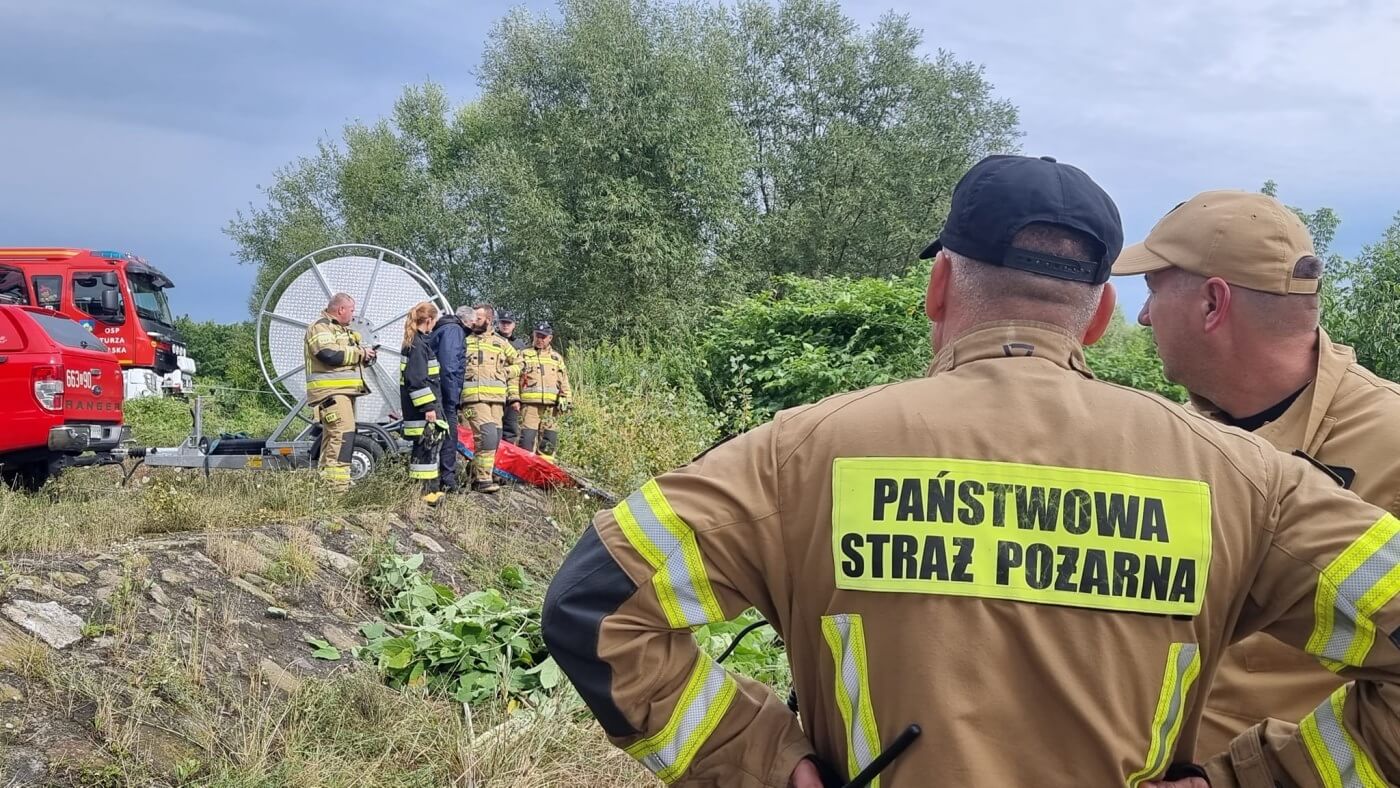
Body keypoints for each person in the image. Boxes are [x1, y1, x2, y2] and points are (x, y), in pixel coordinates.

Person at [541, 155, 1400, 788]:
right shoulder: (1244, 478)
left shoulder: (798, 454)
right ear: (1098, 315)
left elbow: (593, 605)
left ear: (939, 286)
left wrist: (764, 766)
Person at [1113, 189, 1400, 757]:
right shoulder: (1174, 444)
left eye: (1151, 291)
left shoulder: (1391, 442)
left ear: (1212, 304)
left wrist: (1259, 775)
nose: (1143, 316)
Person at [302, 293, 375, 490]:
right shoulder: (321, 327)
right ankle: (337, 486)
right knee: (342, 435)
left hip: (344, 392)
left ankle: (328, 483)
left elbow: (346, 358)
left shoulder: (343, 331)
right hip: (331, 393)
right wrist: (360, 354)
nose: (353, 315)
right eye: (351, 310)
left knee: (335, 435)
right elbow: (328, 354)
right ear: (341, 309)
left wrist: (366, 357)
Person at [461, 303, 520, 494]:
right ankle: (482, 480)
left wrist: (507, 372)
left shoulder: (501, 344)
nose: (473, 321)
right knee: (486, 436)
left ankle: (477, 471)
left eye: (478, 318)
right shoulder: (464, 340)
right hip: (473, 398)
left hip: (496, 400)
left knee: (493, 439)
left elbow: (521, 362)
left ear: (489, 320)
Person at [399, 301, 448, 506]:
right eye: (433, 321)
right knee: (426, 448)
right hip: (422, 411)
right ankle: (425, 493)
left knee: (427, 448)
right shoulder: (418, 346)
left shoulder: (416, 342)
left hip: (418, 409)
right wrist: (429, 408)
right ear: (428, 321)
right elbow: (416, 380)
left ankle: (427, 490)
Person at [516, 322, 571, 462]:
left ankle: (544, 473)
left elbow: (564, 381)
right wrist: (514, 398)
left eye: (543, 337)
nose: (539, 339)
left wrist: (566, 399)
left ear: (550, 338)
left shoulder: (556, 358)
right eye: (537, 336)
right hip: (529, 407)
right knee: (526, 440)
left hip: (551, 408)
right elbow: (515, 379)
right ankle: (524, 474)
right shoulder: (524, 355)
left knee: (548, 440)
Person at [429, 306, 467, 493]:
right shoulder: (455, 330)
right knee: (449, 437)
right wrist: (453, 398)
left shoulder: (442, 328)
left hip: (435, 392)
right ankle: (447, 481)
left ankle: (437, 479)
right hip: (444, 394)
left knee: (435, 436)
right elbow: (449, 366)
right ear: (468, 321)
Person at [497, 311, 527, 446]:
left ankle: (505, 464)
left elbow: (524, 370)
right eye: (503, 322)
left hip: (513, 394)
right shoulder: (492, 340)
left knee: (510, 429)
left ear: (514, 325)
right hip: (494, 390)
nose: (505, 326)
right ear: (498, 324)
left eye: (508, 323)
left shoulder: (520, 345)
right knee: (493, 429)